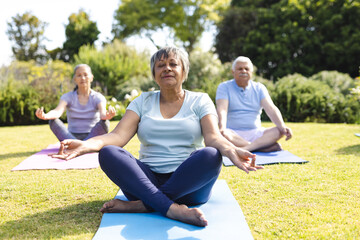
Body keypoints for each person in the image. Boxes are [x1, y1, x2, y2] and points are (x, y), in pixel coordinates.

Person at [50, 47, 263, 227]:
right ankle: (171, 208)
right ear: (154, 73)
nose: (167, 68)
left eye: (173, 64)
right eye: (161, 65)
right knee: (108, 153)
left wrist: (231, 150)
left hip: (189, 185)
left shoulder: (200, 100)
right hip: (146, 180)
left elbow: (213, 137)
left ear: (184, 71)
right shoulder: (143, 101)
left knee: (211, 155)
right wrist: (87, 145)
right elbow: (117, 136)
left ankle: (143, 205)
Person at [216, 56, 292, 152]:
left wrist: (283, 127)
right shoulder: (224, 87)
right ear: (233, 72)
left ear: (251, 72)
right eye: (240, 69)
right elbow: (222, 109)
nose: (243, 71)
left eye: (246, 69)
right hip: (232, 133)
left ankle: (247, 148)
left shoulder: (259, 88)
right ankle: (260, 147)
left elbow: (271, 108)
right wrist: (222, 128)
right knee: (223, 133)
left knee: (278, 131)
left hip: (256, 134)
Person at [35, 64, 116, 141]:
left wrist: (108, 115)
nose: (83, 78)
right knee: (52, 121)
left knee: (105, 122)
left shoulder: (98, 97)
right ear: (75, 79)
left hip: (92, 135)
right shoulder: (68, 97)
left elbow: (103, 114)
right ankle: (81, 144)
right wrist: (45, 116)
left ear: (91, 77)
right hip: (71, 136)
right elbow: (57, 111)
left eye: (85, 75)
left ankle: (78, 145)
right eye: (79, 75)